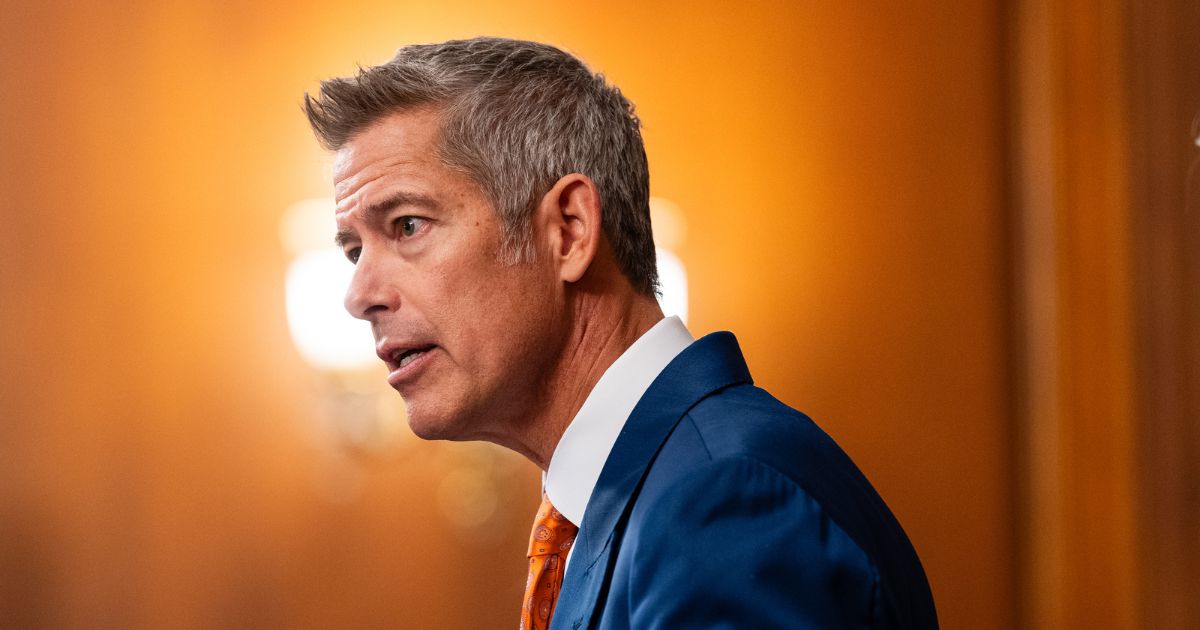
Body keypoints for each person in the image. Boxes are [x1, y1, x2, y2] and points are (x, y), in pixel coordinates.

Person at [304, 36, 938, 629]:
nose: (359, 297)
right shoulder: (650, 493)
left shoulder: (722, 501)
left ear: (570, 231)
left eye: (408, 226)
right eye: (355, 251)